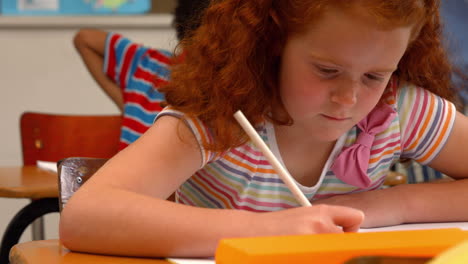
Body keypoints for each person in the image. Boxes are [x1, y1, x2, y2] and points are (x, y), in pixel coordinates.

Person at [60, 0, 468, 258]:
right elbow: (84, 216)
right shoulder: (221, 114)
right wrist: (266, 230)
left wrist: (388, 206)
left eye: (375, 75)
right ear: (273, 42)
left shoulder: (397, 108)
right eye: (327, 70)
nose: (349, 98)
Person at [73, 0, 211, 150]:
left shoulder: (147, 63)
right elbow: (84, 39)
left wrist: (128, 102)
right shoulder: (149, 63)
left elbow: (84, 39)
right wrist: (127, 102)